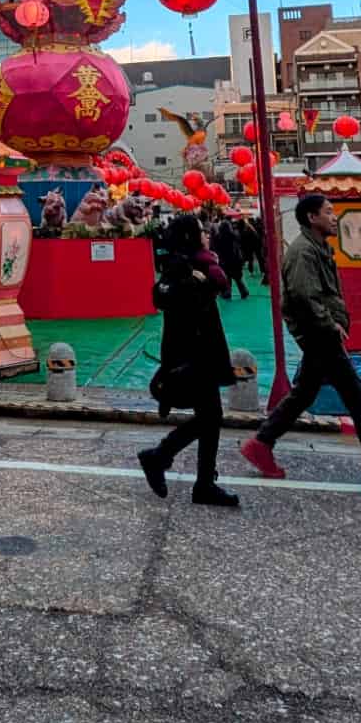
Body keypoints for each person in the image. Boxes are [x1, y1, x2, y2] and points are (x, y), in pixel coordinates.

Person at [239, 193, 361, 500]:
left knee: (304, 393)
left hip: (321, 333)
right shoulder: (303, 252)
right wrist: (328, 323)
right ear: (312, 217)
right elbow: (301, 295)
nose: (334, 217)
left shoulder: (318, 248)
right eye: (328, 212)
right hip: (320, 335)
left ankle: (261, 443)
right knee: (360, 398)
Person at [137, 212, 240, 508]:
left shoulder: (200, 265)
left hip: (200, 351)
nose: (207, 233)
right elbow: (183, 302)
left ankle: (198, 479)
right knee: (211, 417)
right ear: (189, 237)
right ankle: (162, 458)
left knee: (211, 417)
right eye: (201, 230)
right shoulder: (183, 268)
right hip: (193, 355)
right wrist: (205, 283)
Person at [210, 216, 248, 301]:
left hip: (224, 261)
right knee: (238, 278)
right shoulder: (234, 235)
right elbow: (238, 247)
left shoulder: (218, 237)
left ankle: (228, 293)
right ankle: (244, 292)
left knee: (227, 279)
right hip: (235, 260)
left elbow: (214, 248)